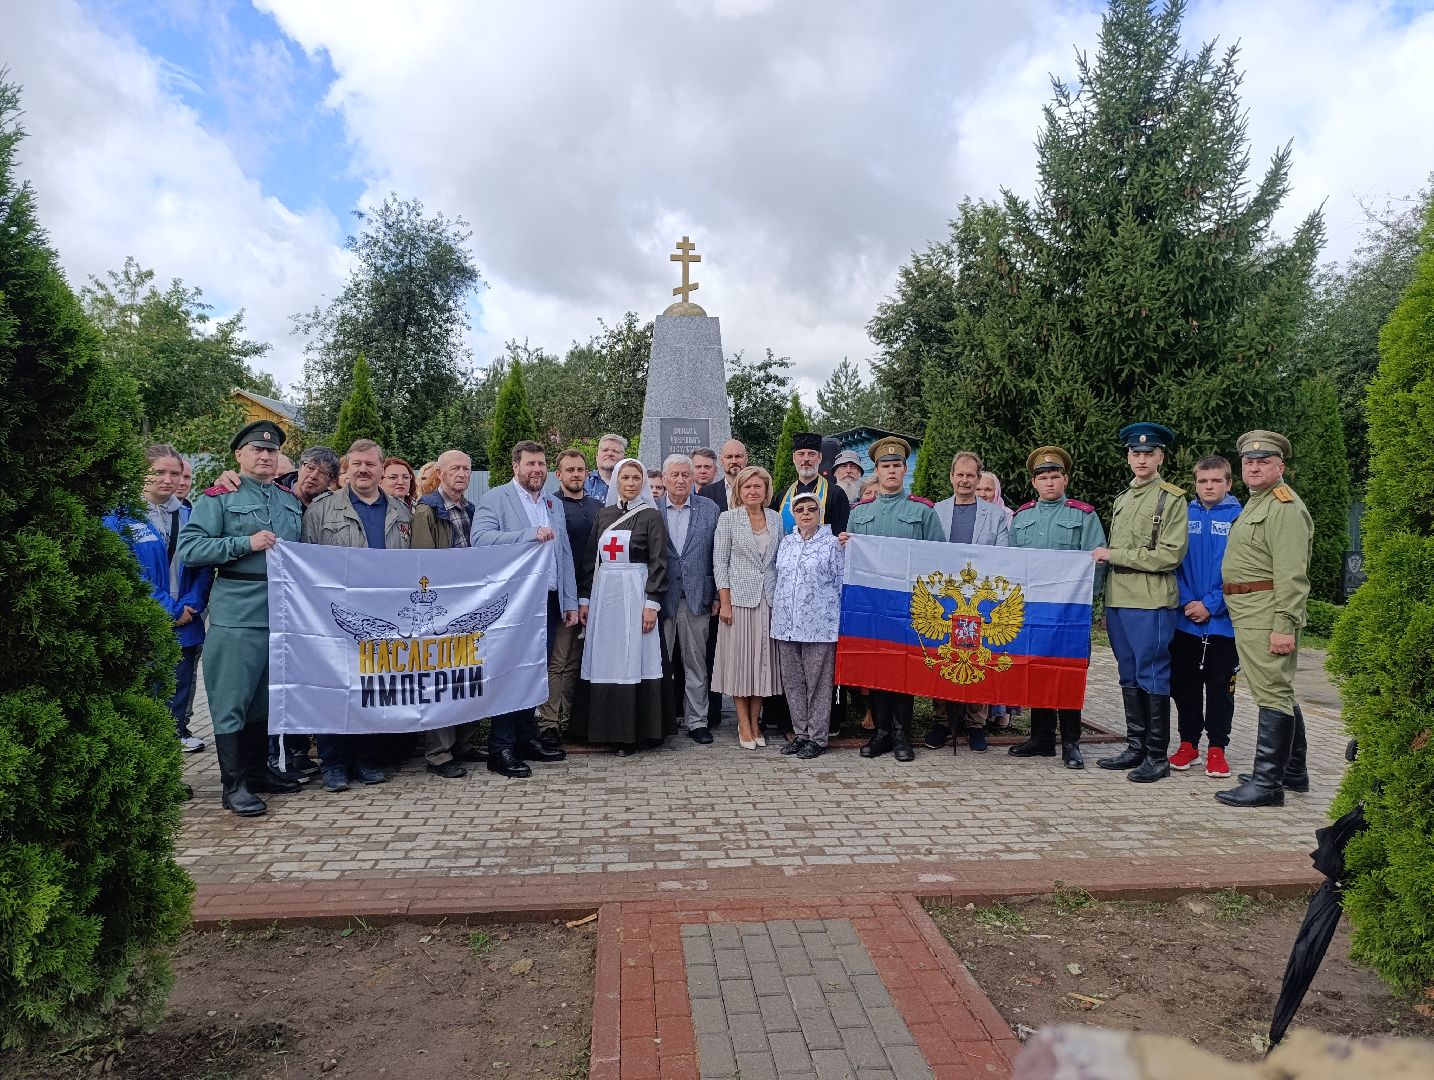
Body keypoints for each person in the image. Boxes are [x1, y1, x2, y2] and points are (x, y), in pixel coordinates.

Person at [177, 420, 304, 816]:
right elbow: (190, 548)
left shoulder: (287, 500)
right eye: (257, 450)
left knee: (264, 700)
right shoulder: (218, 498)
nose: (265, 456)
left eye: (271, 451)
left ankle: (258, 771)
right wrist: (243, 543)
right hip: (237, 610)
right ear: (240, 455)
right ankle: (233, 785)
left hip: (281, 611)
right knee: (232, 698)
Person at [301, 439, 413, 791]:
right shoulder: (322, 510)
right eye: (356, 464)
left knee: (373, 687)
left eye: (370, 464)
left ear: (382, 468)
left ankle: (366, 758)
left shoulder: (400, 511)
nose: (363, 470)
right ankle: (333, 762)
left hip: (382, 615)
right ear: (346, 468)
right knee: (336, 687)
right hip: (334, 614)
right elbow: (306, 564)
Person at [1216, 431, 1314, 808]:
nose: (1254, 467)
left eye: (1263, 461)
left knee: (1272, 692)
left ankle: (1268, 784)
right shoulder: (1259, 503)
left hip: (1266, 612)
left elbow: (1292, 574)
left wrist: (1284, 625)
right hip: (1250, 610)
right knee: (1277, 688)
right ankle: (1292, 771)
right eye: (1248, 462)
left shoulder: (1284, 507)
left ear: (1281, 466)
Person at [472, 441, 577, 777]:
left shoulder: (552, 503)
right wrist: (530, 535)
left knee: (534, 673)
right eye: (530, 463)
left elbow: (564, 556)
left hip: (546, 601)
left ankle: (526, 738)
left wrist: (570, 600)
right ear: (515, 466)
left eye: (542, 464)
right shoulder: (495, 499)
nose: (537, 469)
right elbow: (481, 541)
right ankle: (500, 747)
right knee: (510, 673)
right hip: (512, 604)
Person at [1093, 423, 1189, 783]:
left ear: (1161, 457)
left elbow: (1169, 555)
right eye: (1136, 453)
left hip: (1150, 600)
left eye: (1149, 453)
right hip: (1120, 599)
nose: (1142, 459)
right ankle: (1135, 746)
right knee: (1128, 673)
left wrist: (1115, 553)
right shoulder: (1123, 498)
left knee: (1152, 673)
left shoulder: (1171, 498)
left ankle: (1156, 755)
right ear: (1128, 457)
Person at [840, 436, 943, 762]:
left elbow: (938, 558)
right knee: (876, 666)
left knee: (903, 668)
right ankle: (882, 732)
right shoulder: (859, 513)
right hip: (871, 604)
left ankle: (901, 733)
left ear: (904, 469)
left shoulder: (922, 511)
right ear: (877, 471)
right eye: (885, 466)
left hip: (909, 605)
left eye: (897, 465)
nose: (891, 471)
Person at [104, 444, 212, 753]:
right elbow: (126, 571)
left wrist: (191, 605)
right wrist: (169, 609)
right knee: (144, 703)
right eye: (159, 472)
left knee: (177, 705)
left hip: (186, 626)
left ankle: (169, 774)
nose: (168, 480)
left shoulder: (192, 517)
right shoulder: (118, 519)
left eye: (175, 473)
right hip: (144, 625)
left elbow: (204, 567)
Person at [1006, 447, 1107, 768]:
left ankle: (1072, 741)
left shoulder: (1083, 515)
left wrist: (1084, 606)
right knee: (1036, 672)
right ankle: (1042, 738)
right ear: (1034, 483)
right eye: (1043, 477)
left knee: (1067, 674)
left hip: (1068, 614)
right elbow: (1012, 564)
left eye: (1054, 476)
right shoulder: (1022, 518)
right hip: (1032, 613)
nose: (1049, 482)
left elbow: (1097, 564)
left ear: (1065, 479)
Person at [579, 458, 669, 755]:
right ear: (616, 480)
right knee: (608, 656)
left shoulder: (651, 516)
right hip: (606, 595)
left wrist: (651, 603)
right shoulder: (604, 514)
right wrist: (585, 599)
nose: (630, 483)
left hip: (635, 591)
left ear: (642, 482)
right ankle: (605, 729)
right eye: (625, 477)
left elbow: (659, 562)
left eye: (635, 478)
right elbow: (592, 558)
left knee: (635, 656)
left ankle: (636, 732)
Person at [927, 451, 1013, 752]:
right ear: (951, 477)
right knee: (943, 658)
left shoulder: (997, 515)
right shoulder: (935, 511)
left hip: (980, 600)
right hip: (945, 600)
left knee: (978, 660)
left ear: (978, 479)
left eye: (970, 476)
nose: (964, 480)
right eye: (959, 474)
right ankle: (941, 722)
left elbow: (1003, 555)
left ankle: (976, 724)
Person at [411, 449, 485, 777]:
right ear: (440, 473)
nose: (462, 473)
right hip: (441, 607)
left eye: (466, 468)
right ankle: (439, 754)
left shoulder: (471, 509)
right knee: (442, 678)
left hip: (470, 604)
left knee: (469, 673)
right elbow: (423, 563)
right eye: (455, 468)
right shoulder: (428, 510)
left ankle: (464, 743)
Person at [1169, 456, 1242, 779]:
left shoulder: (1241, 518)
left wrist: (1212, 605)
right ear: (1195, 484)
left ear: (1228, 483)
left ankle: (1217, 748)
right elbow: (1174, 564)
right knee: (1184, 686)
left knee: (1219, 688)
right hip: (1186, 622)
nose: (1208, 487)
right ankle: (1188, 744)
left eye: (1215, 481)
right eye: (1202, 481)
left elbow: (1243, 571)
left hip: (1224, 623)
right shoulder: (1184, 516)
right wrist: (1187, 601)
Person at [769, 491, 844, 759]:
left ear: (819, 513)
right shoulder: (787, 543)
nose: (805, 514)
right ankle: (800, 733)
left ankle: (818, 737)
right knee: (793, 682)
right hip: (786, 625)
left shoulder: (832, 544)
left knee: (818, 684)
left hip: (819, 626)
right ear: (793, 514)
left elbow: (840, 583)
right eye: (800, 509)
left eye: (811, 509)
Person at [712, 465, 782, 748]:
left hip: (770, 601)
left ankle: (756, 722)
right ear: (739, 491)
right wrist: (725, 602)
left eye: (758, 486)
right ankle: (743, 724)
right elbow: (720, 563)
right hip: (739, 602)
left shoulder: (776, 519)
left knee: (763, 664)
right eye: (747, 487)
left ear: (766, 490)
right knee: (742, 665)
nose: (753, 491)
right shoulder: (728, 519)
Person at [655, 454, 720, 743]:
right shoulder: (651, 510)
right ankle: (658, 722)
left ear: (693, 478)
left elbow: (718, 556)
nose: (680, 480)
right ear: (664, 479)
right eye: (674, 475)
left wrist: (718, 593)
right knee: (659, 664)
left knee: (696, 664)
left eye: (685, 475)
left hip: (697, 599)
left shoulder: (710, 509)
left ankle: (697, 721)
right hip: (660, 600)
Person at [539, 449, 601, 745]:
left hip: (596, 596)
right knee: (559, 661)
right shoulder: (550, 506)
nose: (576, 474)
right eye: (569, 470)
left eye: (580, 470)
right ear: (559, 474)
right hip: (564, 597)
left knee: (580, 661)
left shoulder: (598, 506)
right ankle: (550, 723)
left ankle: (574, 720)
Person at [774, 432, 850, 536]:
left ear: (820, 458)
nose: (806, 459)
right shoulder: (782, 496)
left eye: (811, 454)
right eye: (801, 454)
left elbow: (841, 534)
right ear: (794, 458)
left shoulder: (836, 494)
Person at [700, 439, 749, 511]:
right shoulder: (706, 493)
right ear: (721, 461)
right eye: (729, 457)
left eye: (738, 456)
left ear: (746, 459)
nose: (734, 461)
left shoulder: (760, 491)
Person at [584, 433, 628, 502]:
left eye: (615, 451)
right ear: (597, 457)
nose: (610, 454)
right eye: (605, 450)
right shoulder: (583, 482)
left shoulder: (632, 485)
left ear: (624, 459)